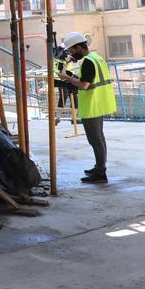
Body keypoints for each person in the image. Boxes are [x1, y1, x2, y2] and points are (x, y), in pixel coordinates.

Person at [59, 32, 117, 183]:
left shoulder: (88, 62)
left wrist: (68, 78)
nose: (72, 54)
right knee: (99, 139)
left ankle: (100, 173)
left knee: (95, 140)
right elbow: (89, 79)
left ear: (79, 47)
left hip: (92, 105)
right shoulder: (97, 58)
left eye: (72, 51)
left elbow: (85, 85)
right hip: (100, 102)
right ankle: (99, 167)